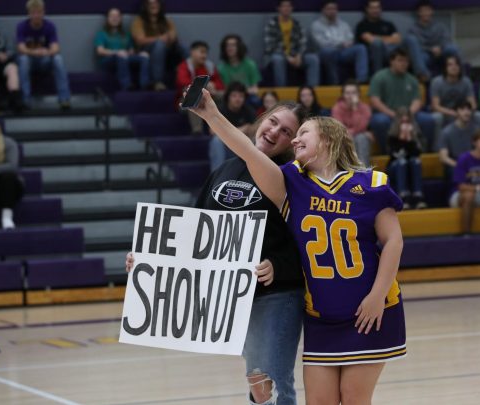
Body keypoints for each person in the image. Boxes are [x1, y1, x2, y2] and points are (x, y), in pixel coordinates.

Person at [190, 89, 406, 405]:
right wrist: (211, 114)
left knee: (354, 399)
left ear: (330, 139)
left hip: (370, 310)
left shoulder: (371, 184)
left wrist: (376, 296)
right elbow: (249, 152)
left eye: (300, 132)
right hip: (321, 316)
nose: (292, 140)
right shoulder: (291, 182)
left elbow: (394, 242)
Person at [128, 101, 307, 405]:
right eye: (273, 121)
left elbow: (306, 242)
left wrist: (278, 265)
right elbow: (196, 231)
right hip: (232, 297)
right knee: (257, 384)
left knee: (272, 382)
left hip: (276, 295)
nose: (275, 131)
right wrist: (151, 260)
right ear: (260, 119)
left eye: (286, 130)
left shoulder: (291, 177)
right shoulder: (225, 168)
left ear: (293, 142)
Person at [369, 47, 434, 154]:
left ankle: (423, 151)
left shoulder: (412, 79)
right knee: (380, 121)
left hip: (408, 114)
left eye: (406, 61)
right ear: (391, 61)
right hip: (388, 114)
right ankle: (387, 152)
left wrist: (408, 114)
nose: (404, 64)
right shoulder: (379, 77)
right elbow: (375, 101)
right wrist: (394, 114)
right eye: (400, 60)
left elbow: (417, 101)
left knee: (428, 120)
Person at [16, 0, 71, 109]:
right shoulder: (21, 26)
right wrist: (33, 52)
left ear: (43, 13)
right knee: (23, 59)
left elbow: (56, 47)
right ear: (29, 13)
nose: (36, 15)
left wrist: (46, 52)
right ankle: (25, 100)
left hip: (44, 61)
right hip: (29, 61)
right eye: (33, 13)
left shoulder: (50, 26)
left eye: (39, 12)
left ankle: (64, 99)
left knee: (58, 59)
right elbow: (21, 48)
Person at [355, 0, 423, 76]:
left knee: (411, 39)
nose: (375, 10)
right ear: (367, 9)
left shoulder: (388, 24)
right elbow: (371, 40)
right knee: (377, 43)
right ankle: (378, 76)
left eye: (377, 7)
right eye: (372, 8)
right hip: (377, 53)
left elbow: (398, 39)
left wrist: (377, 37)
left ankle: (421, 73)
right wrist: (390, 39)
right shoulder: (362, 25)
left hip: (394, 50)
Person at [131, 0, 186, 90]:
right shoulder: (139, 21)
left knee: (182, 47)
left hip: (167, 48)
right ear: (146, 6)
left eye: (156, 3)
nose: (154, 6)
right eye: (150, 3)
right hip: (146, 50)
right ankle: (157, 81)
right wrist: (159, 39)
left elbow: (173, 36)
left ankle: (196, 77)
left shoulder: (166, 19)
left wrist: (168, 37)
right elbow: (139, 40)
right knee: (159, 45)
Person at [263, 0, 319, 87]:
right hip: (279, 55)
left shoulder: (297, 24)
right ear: (279, 8)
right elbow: (271, 46)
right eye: (284, 6)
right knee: (278, 59)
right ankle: (282, 91)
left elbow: (302, 42)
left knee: (313, 58)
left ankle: (312, 89)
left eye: (289, 6)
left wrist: (299, 55)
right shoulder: (272, 24)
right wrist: (287, 57)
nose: (286, 8)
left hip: (295, 56)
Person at [310, 0, 368, 85]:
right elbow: (322, 44)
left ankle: (362, 80)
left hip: (343, 52)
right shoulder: (316, 25)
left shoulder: (343, 24)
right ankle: (335, 83)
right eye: (329, 9)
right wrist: (341, 43)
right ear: (323, 10)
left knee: (360, 48)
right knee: (328, 51)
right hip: (325, 53)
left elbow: (350, 39)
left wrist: (344, 44)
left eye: (334, 9)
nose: (332, 11)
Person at [95, 8, 150, 91]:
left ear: (120, 18)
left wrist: (139, 53)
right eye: (112, 16)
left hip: (125, 57)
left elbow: (131, 50)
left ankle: (145, 85)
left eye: (117, 16)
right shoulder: (102, 34)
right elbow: (100, 51)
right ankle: (127, 86)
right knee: (121, 56)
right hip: (108, 60)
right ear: (107, 19)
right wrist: (117, 52)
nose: (115, 18)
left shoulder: (126, 34)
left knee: (144, 57)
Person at [430, 55, 480, 142]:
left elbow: (472, 103)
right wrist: (454, 113)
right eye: (450, 65)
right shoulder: (437, 82)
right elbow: (435, 106)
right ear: (445, 68)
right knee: (437, 117)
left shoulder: (466, 81)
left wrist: (467, 112)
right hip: (444, 112)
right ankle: (438, 147)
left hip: (462, 110)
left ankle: (478, 143)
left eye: (456, 65)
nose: (453, 67)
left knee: (479, 116)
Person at [176, 41, 225, 134]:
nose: (204, 56)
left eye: (206, 53)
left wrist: (214, 86)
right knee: (193, 95)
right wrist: (204, 87)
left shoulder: (209, 66)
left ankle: (225, 128)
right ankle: (197, 131)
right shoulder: (184, 66)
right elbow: (182, 83)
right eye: (202, 52)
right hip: (185, 101)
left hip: (208, 97)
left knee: (227, 94)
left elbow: (220, 85)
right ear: (192, 52)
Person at [407, 0, 461, 80]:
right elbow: (415, 47)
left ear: (432, 11)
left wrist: (440, 48)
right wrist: (431, 49)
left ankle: (461, 74)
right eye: (422, 11)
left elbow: (446, 39)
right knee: (420, 58)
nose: (425, 13)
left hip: (441, 52)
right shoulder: (413, 29)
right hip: (426, 54)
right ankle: (424, 76)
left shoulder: (440, 26)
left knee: (453, 48)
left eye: (428, 10)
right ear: (418, 13)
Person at [209, 82, 256, 172]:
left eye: (241, 96)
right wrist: (242, 129)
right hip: (225, 148)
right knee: (216, 141)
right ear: (228, 97)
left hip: (241, 148)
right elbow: (212, 131)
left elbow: (253, 130)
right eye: (234, 96)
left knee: (255, 140)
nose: (238, 99)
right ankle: (216, 176)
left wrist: (225, 130)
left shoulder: (248, 110)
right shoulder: (221, 109)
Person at [387, 108, 426, 209]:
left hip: (411, 164)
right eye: (403, 122)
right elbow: (395, 155)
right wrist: (401, 138)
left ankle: (418, 195)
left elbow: (416, 153)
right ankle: (403, 196)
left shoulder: (415, 137)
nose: (405, 125)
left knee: (415, 161)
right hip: (395, 166)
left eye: (407, 122)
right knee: (402, 162)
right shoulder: (392, 137)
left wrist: (409, 139)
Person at [0, 118, 24, 229]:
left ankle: (7, 217)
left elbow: (13, 166)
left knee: (8, 176)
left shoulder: (9, 143)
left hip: (9, 187)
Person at [0, 0, 23, 112]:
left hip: (1, 60)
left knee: (12, 68)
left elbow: (11, 49)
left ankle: (15, 100)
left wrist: (4, 55)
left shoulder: (2, 28)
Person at [331, 80, 372, 165]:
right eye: (347, 93)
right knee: (351, 137)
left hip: (359, 138)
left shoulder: (365, 108)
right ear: (343, 95)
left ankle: (364, 171)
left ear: (358, 94)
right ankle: (351, 171)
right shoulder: (337, 108)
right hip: (344, 138)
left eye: (353, 93)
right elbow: (341, 129)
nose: (350, 96)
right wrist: (356, 131)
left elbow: (362, 126)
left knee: (361, 138)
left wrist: (355, 108)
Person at [439, 100, 480, 181]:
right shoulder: (446, 132)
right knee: (454, 171)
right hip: (456, 163)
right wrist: (460, 165)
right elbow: (443, 157)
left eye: (469, 109)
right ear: (456, 112)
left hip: (474, 163)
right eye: (462, 109)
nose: (467, 112)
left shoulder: (477, 130)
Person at [217, 34, 262, 106]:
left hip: (247, 97)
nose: (229, 48)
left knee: (255, 100)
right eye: (227, 45)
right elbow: (221, 91)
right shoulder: (221, 68)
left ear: (239, 47)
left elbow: (255, 89)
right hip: (228, 99)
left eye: (233, 45)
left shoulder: (250, 64)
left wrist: (241, 93)